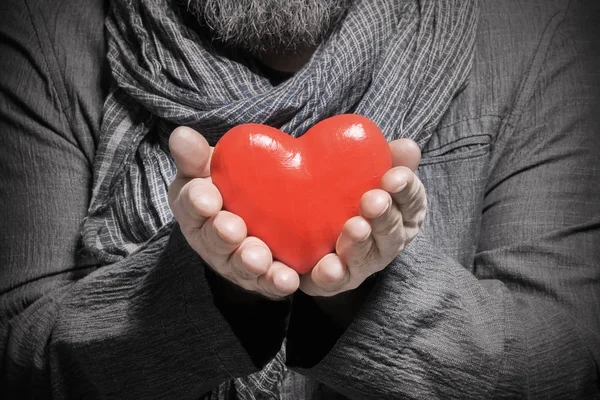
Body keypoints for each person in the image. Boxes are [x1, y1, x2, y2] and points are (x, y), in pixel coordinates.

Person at [0, 0, 598, 398]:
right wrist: (210, 288)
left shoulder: (537, 31)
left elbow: (568, 365)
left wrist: (366, 289)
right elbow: (15, 362)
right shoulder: (45, 30)